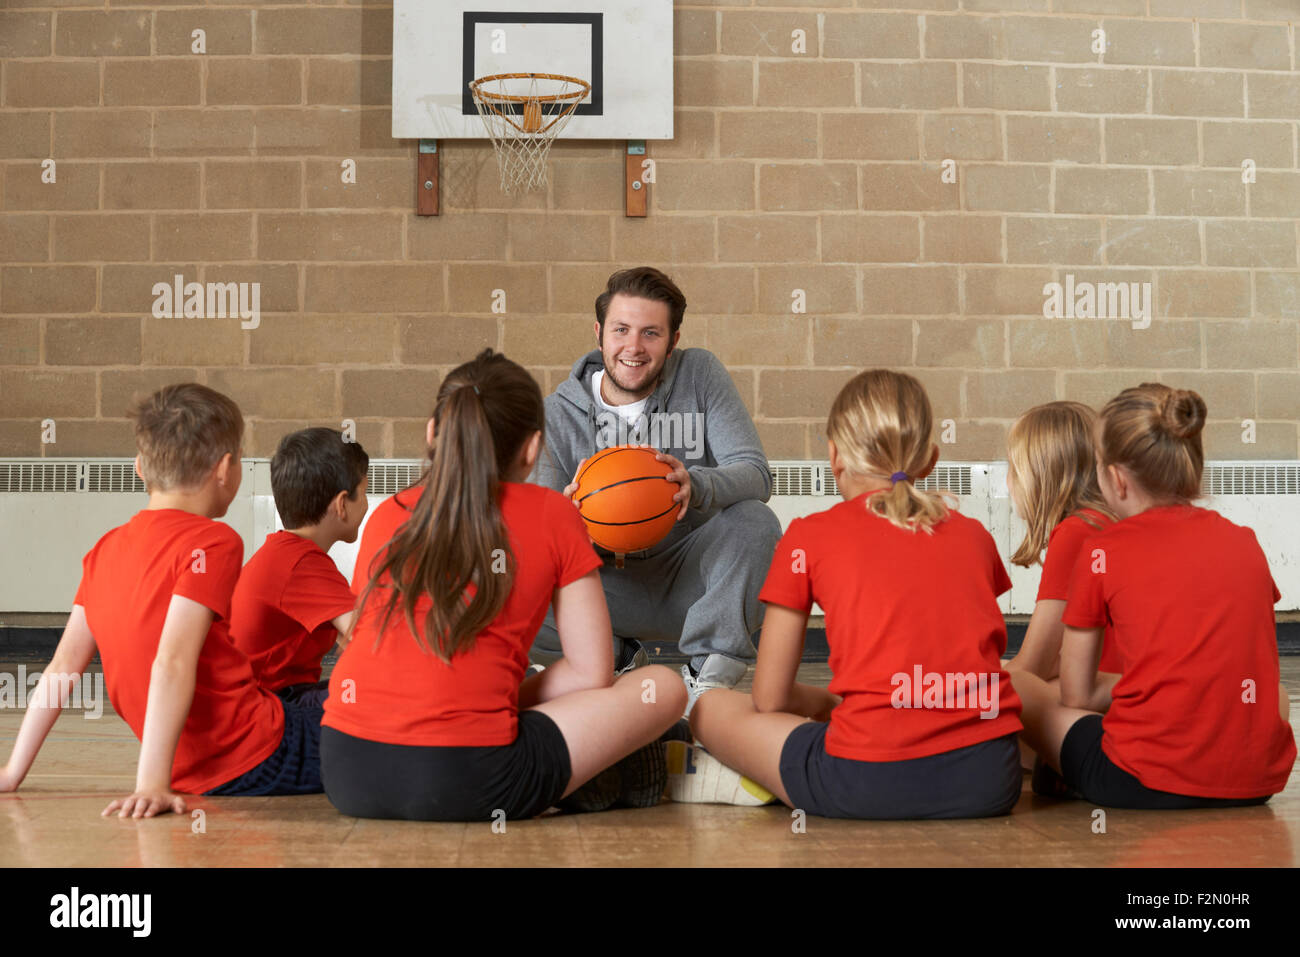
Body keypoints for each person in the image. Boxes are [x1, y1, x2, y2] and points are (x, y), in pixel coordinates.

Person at [321, 349, 688, 821]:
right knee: (661, 686)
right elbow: (591, 674)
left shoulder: (387, 514)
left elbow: (361, 642)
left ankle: (588, 775)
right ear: (533, 449)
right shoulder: (555, 514)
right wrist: (501, 699)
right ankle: (595, 772)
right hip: (470, 780)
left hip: (347, 771)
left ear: (434, 433)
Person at [674, 369, 1025, 819]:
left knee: (712, 706)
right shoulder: (976, 536)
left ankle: (747, 776)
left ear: (834, 455)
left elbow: (770, 699)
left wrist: (827, 704)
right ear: (931, 459)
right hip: (991, 780)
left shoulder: (808, 537)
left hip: (865, 780)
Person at [0, 384, 323, 816]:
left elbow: (61, 669)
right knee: (364, 701)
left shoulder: (104, 549)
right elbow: (172, 660)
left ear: (139, 468)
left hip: (195, 764)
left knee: (312, 695)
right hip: (256, 756)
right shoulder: (213, 542)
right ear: (226, 469)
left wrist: (12, 771)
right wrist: (150, 784)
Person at [1011, 384, 1295, 808]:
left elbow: (1076, 696)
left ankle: (1056, 770)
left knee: (1012, 681)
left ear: (1117, 479)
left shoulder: (1101, 550)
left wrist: (1146, 685)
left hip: (1139, 780)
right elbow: (1254, 662)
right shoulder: (1245, 541)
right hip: (1257, 783)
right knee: (1275, 695)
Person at [530, 266, 782, 709]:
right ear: (599, 333)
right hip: (604, 591)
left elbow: (756, 473)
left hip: (690, 580)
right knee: (518, 566)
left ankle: (706, 680)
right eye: (621, 330)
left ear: (673, 341)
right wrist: (566, 521)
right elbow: (539, 536)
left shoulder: (700, 374)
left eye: (650, 333)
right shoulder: (556, 413)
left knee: (754, 522)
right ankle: (613, 657)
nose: (633, 347)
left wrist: (695, 484)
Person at [229, 428, 368, 704]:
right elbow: (370, 636)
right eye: (364, 493)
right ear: (342, 504)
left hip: (265, 700)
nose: (365, 504)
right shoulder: (302, 563)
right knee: (380, 693)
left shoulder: (285, 553)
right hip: (265, 710)